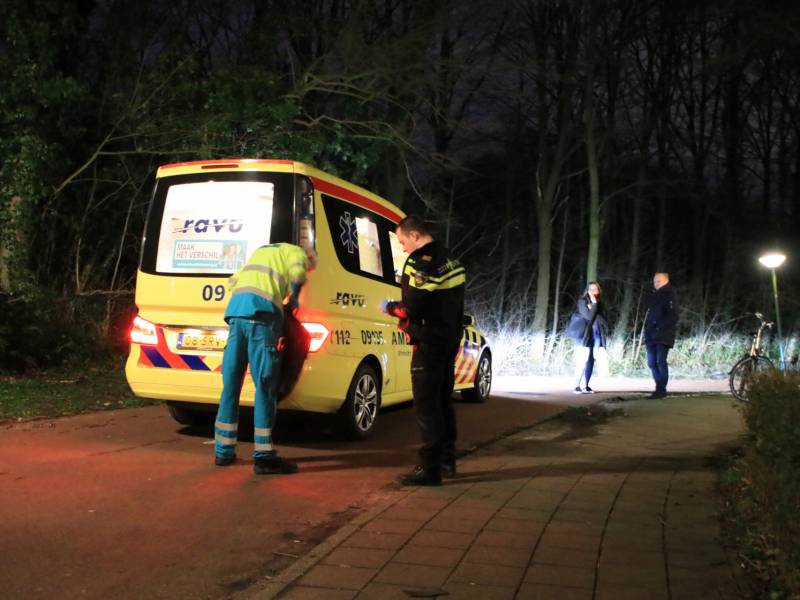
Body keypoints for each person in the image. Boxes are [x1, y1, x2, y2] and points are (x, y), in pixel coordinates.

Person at [214, 243, 316, 474]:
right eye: (311, 269)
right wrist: (295, 296)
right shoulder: (297, 252)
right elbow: (298, 272)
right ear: (309, 259)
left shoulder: (263, 252)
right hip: (262, 317)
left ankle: (223, 451)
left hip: (236, 315)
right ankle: (264, 456)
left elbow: (233, 281)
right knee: (265, 385)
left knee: (230, 385)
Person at [382, 215, 466, 486]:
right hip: (449, 339)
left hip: (429, 341)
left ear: (415, 236)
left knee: (427, 405)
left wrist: (389, 307)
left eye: (403, 242)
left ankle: (429, 469)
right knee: (443, 401)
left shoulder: (424, 264)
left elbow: (413, 307)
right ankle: (446, 460)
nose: (403, 248)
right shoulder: (450, 257)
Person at [644, 272, 679, 399]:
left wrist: (660, 327)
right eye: (654, 281)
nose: (655, 283)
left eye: (658, 281)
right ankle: (659, 387)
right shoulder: (655, 295)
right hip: (651, 334)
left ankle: (660, 389)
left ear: (665, 280)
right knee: (652, 362)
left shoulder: (669, 294)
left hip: (663, 335)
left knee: (660, 361)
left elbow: (673, 315)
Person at [569, 281, 608, 394]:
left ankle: (586, 385)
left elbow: (603, 320)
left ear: (598, 291)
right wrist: (594, 306)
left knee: (591, 360)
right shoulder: (582, 301)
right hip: (584, 335)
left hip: (596, 335)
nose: (592, 292)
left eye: (595, 289)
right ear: (587, 290)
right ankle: (577, 386)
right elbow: (588, 317)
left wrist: (594, 307)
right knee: (582, 360)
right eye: (590, 289)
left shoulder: (600, 304)